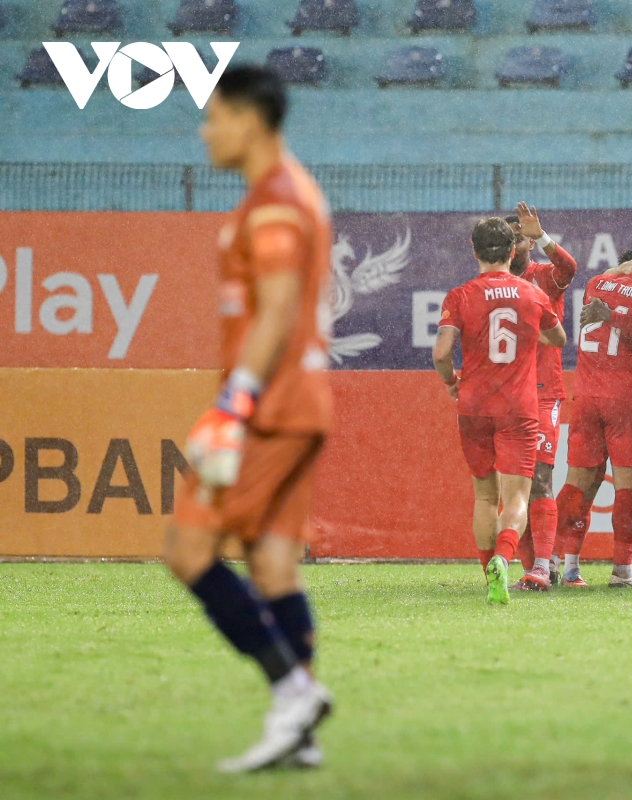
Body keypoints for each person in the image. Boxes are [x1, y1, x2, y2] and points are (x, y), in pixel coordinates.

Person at [162, 65, 334, 773]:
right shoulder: (294, 192)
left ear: (250, 121)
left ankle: (295, 693)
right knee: (270, 563)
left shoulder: (274, 203)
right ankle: (300, 733)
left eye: (214, 117)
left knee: (189, 551)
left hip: (268, 408)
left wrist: (234, 402)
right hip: (296, 402)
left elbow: (279, 308)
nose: (205, 132)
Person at [432, 218, 567, 605]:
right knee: (517, 497)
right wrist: (531, 332)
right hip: (518, 407)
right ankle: (504, 561)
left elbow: (441, 353)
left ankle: (488, 571)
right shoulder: (531, 293)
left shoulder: (460, 295)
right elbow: (557, 338)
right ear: (512, 251)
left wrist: (451, 381)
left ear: (474, 250)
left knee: (485, 498)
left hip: (474, 405)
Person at [554, 239, 632, 587]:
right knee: (628, 487)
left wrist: (625, 267)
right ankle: (622, 571)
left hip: (586, 396)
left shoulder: (596, 284)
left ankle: (560, 565)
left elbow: (613, 280)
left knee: (577, 483)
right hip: (626, 397)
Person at [501, 204, 579, 590]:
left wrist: (543, 236)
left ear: (530, 243)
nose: (515, 246)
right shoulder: (492, 287)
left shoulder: (544, 277)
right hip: (506, 397)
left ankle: (543, 566)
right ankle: (535, 568)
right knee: (515, 486)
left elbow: (569, 268)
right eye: (509, 240)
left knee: (541, 479)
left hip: (543, 393)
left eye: (521, 239)